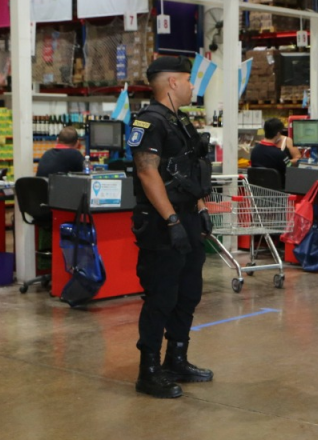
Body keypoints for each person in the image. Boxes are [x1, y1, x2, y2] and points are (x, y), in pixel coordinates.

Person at [126, 56, 214, 399]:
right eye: (189, 80)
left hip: (187, 217)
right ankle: (148, 371)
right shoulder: (150, 122)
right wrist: (172, 219)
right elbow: (148, 173)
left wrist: (201, 208)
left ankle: (177, 358)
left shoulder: (181, 122)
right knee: (161, 296)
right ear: (172, 83)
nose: (194, 86)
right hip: (163, 223)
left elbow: (191, 173)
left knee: (188, 292)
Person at [250, 118, 300, 185]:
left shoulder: (254, 151)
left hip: (258, 189)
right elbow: (290, 168)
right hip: (278, 191)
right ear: (278, 134)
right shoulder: (280, 154)